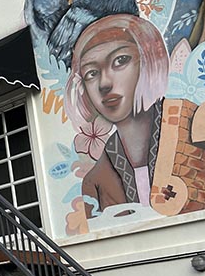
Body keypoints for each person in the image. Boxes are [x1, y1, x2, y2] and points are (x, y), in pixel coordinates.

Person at [65, 14, 168, 217]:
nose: (104, 83)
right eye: (91, 73)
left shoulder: (193, 132)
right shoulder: (94, 183)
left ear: (149, 61)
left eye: (120, 61)